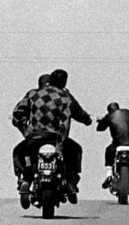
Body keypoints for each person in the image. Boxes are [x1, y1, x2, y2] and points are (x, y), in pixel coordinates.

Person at [11, 68, 93, 206]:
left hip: (34, 139)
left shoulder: (33, 94)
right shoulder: (65, 97)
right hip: (56, 139)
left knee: (18, 152)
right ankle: (72, 182)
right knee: (76, 150)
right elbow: (71, 118)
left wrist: (25, 128)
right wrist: (87, 120)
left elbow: (17, 113)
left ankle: (24, 178)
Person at [96, 102, 129, 189]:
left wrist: (102, 120)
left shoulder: (108, 116)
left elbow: (99, 129)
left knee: (108, 151)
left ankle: (109, 175)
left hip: (117, 144)